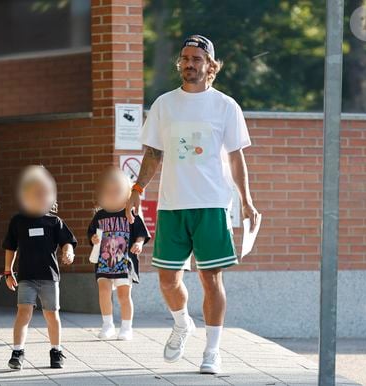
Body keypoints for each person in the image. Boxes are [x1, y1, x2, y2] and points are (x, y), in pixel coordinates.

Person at [126, 35, 260, 374]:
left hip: (212, 204)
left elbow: (235, 157)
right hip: (173, 204)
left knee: (210, 279)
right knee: (167, 279)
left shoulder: (225, 106)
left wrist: (246, 199)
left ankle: (212, 351)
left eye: (197, 59)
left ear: (210, 65)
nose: (189, 64)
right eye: (185, 58)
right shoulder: (164, 105)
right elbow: (154, 153)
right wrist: (138, 188)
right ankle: (182, 322)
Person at [2, 166, 77, 370]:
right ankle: (17, 352)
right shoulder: (18, 221)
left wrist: (68, 252)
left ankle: (56, 351)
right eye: (36, 193)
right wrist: (8, 271)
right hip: (27, 277)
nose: (41, 197)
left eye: (46, 193)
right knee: (23, 312)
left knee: (52, 314)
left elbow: (67, 241)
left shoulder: (54, 221)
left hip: (49, 277)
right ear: (25, 195)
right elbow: (10, 247)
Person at [87, 167, 150, 341]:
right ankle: (107, 325)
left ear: (127, 193)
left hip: (124, 261)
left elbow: (141, 233)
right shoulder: (99, 216)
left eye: (117, 191)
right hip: (104, 262)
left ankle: (126, 327)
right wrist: (93, 239)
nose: (112, 195)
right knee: (104, 291)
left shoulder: (130, 213)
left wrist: (138, 243)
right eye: (108, 192)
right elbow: (91, 235)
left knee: (124, 295)